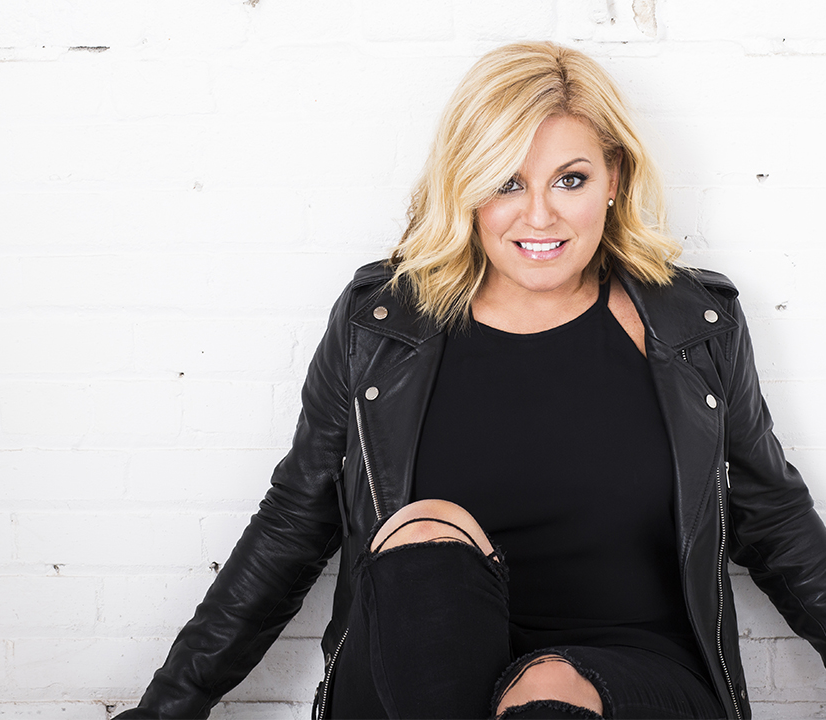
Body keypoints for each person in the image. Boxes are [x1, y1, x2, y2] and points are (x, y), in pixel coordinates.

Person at [116, 42, 826, 720]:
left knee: (547, 688)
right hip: (411, 676)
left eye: (570, 179)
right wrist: (167, 709)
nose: (539, 215)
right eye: (506, 181)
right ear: (466, 186)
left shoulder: (694, 327)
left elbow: (774, 522)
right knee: (428, 528)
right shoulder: (380, 327)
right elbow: (292, 525)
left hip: (636, 675)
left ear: (614, 179)